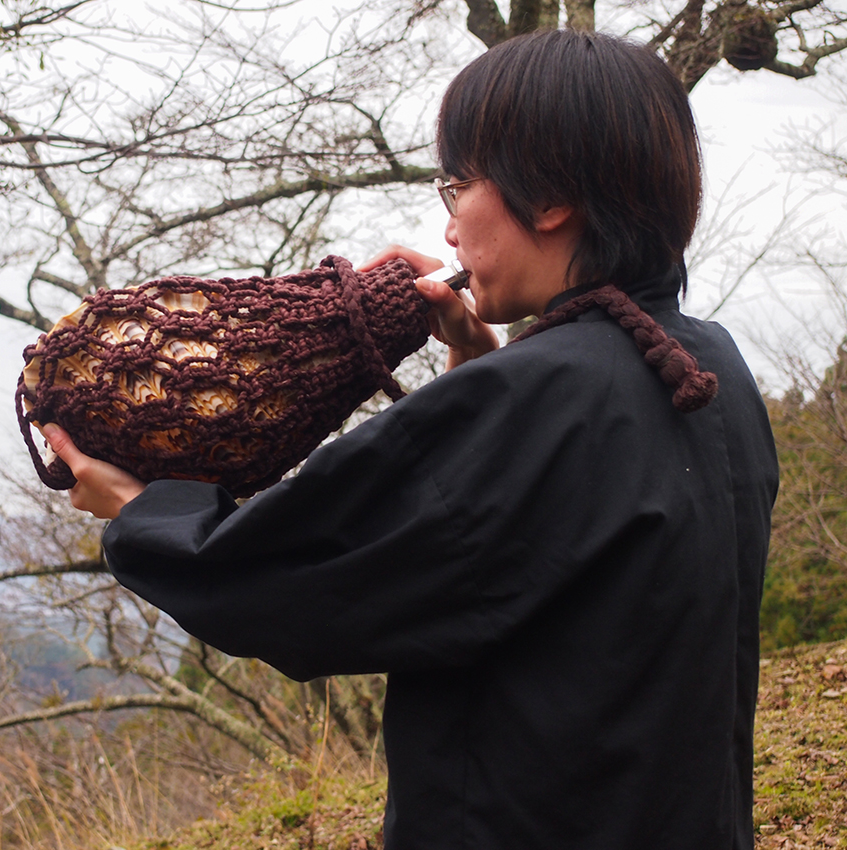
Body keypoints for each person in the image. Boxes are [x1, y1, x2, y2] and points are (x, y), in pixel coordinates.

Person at [40, 29, 779, 850]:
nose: (451, 229)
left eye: (457, 187)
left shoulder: (537, 397)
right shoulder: (708, 366)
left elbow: (289, 583)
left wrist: (140, 512)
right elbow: (529, 555)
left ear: (548, 198)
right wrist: (476, 372)